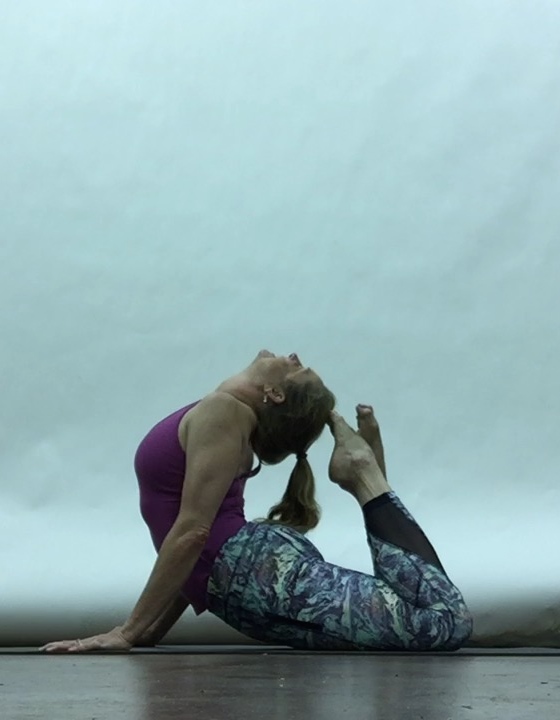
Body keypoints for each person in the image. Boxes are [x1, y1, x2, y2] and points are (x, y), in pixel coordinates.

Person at [41, 353, 472, 653]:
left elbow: (194, 534)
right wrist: (148, 630)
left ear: (275, 393)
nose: (293, 356)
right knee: (433, 618)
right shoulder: (225, 415)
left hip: (259, 575)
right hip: (256, 571)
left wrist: (129, 632)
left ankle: (366, 476)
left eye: (298, 368)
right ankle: (368, 476)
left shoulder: (225, 411)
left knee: (443, 623)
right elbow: (198, 547)